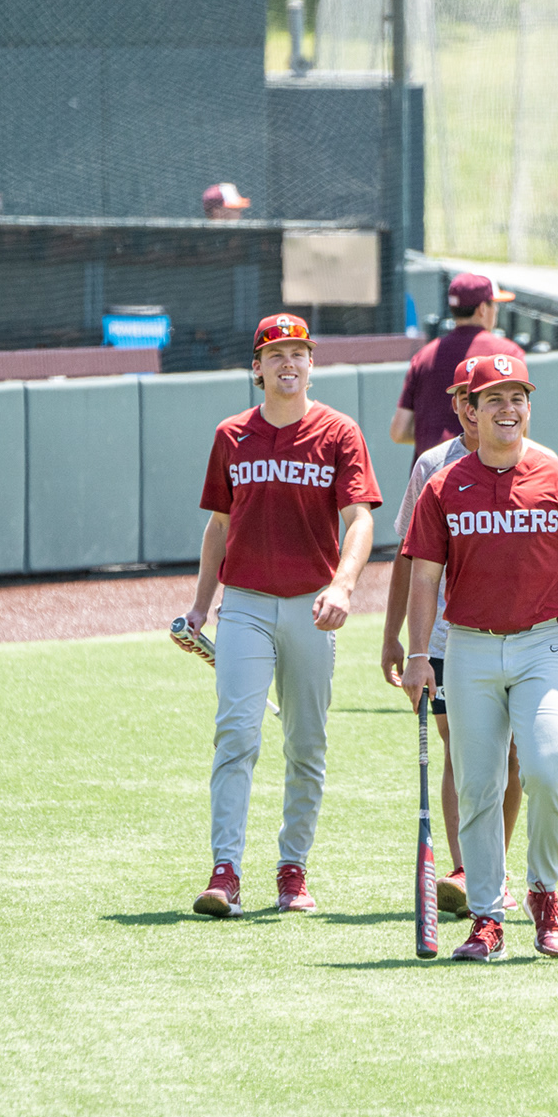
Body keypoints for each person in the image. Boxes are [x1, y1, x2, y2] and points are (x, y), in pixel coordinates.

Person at [400, 353, 558, 961]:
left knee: (550, 767)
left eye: (517, 396)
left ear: (529, 405)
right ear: (469, 411)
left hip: (543, 645)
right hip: (469, 647)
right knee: (477, 785)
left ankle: (542, 891)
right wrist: (418, 654)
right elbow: (424, 580)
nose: (507, 408)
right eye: (493, 398)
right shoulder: (444, 485)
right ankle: (485, 916)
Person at [183, 313, 383, 918]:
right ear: (257, 369)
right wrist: (198, 607)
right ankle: (225, 872)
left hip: (310, 605)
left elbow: (361, 520)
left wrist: (344, 586)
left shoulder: (339, 432)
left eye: (299, 354)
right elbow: (218, 527)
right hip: (242, 603)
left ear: (311, 365)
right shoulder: (231, 435)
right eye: (276, 355)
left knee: (306, 743)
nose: (289, 364)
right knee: (237, 734)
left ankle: (292, 870)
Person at [392, 273, 525, 457]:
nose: (496, 310)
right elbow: (517, 430)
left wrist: (433, 434)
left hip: (432, 473)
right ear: (482, 309)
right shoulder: (506, 355)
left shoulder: (424, 356)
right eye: (494, 304)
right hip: (483, 473)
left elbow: (399, 431)